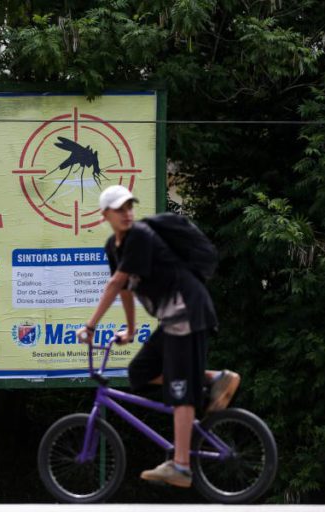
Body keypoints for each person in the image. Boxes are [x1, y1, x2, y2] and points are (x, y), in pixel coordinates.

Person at [76, 185, 240, 489]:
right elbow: (125, 290)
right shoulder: (114, 246)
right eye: (119, 209)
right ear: (105, 215)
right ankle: (214, 379)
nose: (127, 213)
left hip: (189, 312)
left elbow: (116, 282)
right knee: (139, 372)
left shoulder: (139, 235)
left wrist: (90, 325)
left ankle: (180, 466)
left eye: (129, 207)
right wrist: (132, 329)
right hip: (173, 318)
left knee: (180, 389)